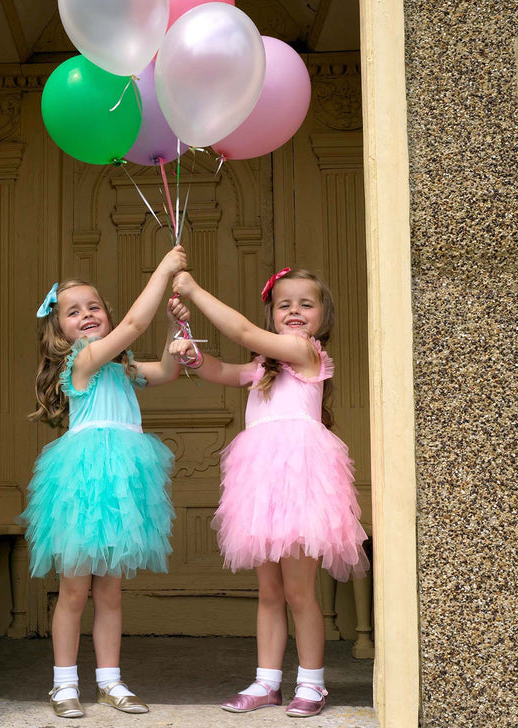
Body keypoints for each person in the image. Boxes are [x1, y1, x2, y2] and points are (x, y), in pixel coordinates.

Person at [169, 267, 369, 718]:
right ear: (273, 312)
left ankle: (312, 684)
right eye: (284, 304)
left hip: (300, 483)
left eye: (305, 303)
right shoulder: (263, 367)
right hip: (261, 488)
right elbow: (222, 370)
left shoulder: (305, 352)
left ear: (322, 315)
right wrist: (192, 357)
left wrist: (195, 290)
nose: (295, 311)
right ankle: (267, 682)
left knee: (300, 591)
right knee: (268, 592)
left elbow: (241, 331)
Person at [20, 246, 188, 719]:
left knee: (110, 590)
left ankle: (110, 682)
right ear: (60, 331)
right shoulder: (85, 363)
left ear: (105, 314)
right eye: (74, 312)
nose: (87, 315)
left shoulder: (121, 367)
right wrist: (164, 269)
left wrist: (177, 330)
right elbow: (134, 326)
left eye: (94, 307)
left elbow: (168, 371)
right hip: (83, 485)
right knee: (74, 590)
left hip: (121, 488)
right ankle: (64, 684)